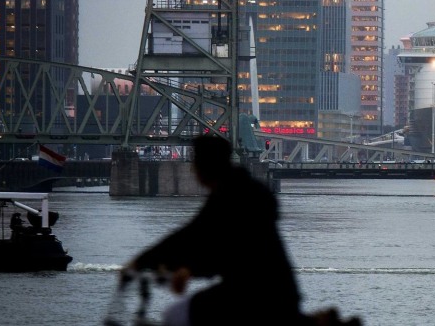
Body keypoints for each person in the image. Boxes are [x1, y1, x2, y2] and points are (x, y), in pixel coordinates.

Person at [122, 135, 302, 326]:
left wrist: (142, 261)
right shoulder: (242, 189)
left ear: (205, 166)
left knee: (175, 315)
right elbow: (224, 249)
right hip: (278, 293)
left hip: (256, 296)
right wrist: (190, 269)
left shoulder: (229, 196)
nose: (192, 169)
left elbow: (191, 236)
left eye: (195, 162)